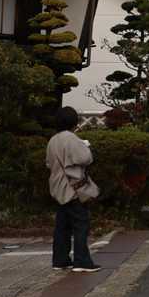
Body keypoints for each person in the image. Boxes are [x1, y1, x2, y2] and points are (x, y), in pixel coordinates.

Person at [46, 108, 100, 273]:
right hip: (73, 188)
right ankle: (82, 261)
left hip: (58, 187)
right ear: (74, 122)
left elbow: (48, 163)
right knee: (80, 224)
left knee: (62, 226)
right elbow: (85, 158)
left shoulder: (53, 140)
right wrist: (85, 146)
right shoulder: (71, 138)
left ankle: (60, 260)